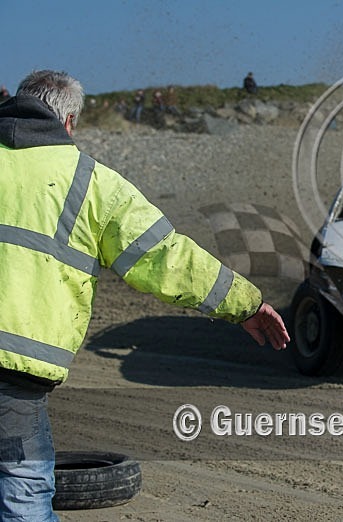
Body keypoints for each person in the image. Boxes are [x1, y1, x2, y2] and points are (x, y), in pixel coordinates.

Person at [0, 70, 290, 520]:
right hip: (13, 372)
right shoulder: (91, 182)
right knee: (24, 496)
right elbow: (166, 258)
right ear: (70, 121)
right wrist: (246, 304)